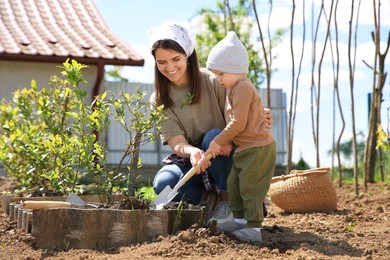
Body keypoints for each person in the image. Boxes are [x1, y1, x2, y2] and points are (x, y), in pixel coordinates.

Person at [147, 24, 272, 223]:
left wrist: (256, 115)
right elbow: (176, 141)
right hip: (195, 161)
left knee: (213, 137)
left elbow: (242, 113)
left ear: (188, 55)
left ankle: (228, 201)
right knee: (165, 181)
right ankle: (205, 201)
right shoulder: (159, 99)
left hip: (227, 152)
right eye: (162, 62)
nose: (170, 67)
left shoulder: (215, 80)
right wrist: (192, 152)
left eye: (176, 59)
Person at [204, 31, 277, 244]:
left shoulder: (243, 87)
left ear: (235, 70)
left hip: (258, 149)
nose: (218, 79)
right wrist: (229, 141)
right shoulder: (232, 88)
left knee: (250, 188)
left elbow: (239, 123)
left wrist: (219, 141)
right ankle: (238, 220)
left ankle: (254, 228)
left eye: (220, 74)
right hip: (245, 149)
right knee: (234, 184)